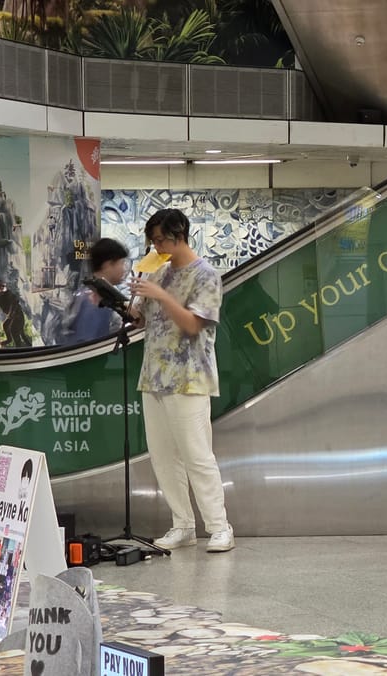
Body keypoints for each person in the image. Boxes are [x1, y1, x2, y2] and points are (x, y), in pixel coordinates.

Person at [130, 208, 234, 553]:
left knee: (196, 454)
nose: (155, 246)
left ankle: (219, 526)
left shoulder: (206, 275)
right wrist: (128, 302)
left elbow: (193, 324)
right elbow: (144, 321)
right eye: (152, 241)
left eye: (160, 240)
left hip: (189, 378)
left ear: (179, 235)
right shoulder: (157, 272)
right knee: (162, 456)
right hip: (154, 375)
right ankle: (183, 523)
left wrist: (161, 295)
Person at [66, 238, 130, 343]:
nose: (124, 269)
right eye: (122, 263)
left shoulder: (87, 293)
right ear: (108, 265)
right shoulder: (95, 300)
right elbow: (88, 347)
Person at [0, 280, 32, 347]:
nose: (1, 289)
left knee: (14, 330)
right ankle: (9, 340)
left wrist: (10, 313)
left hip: (18, 316)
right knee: (5, 325)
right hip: (11, 317)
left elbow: (14, 303)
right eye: (0, 288)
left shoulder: (8, 294)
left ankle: (19, 349)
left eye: (2, 287)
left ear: (4, 288)